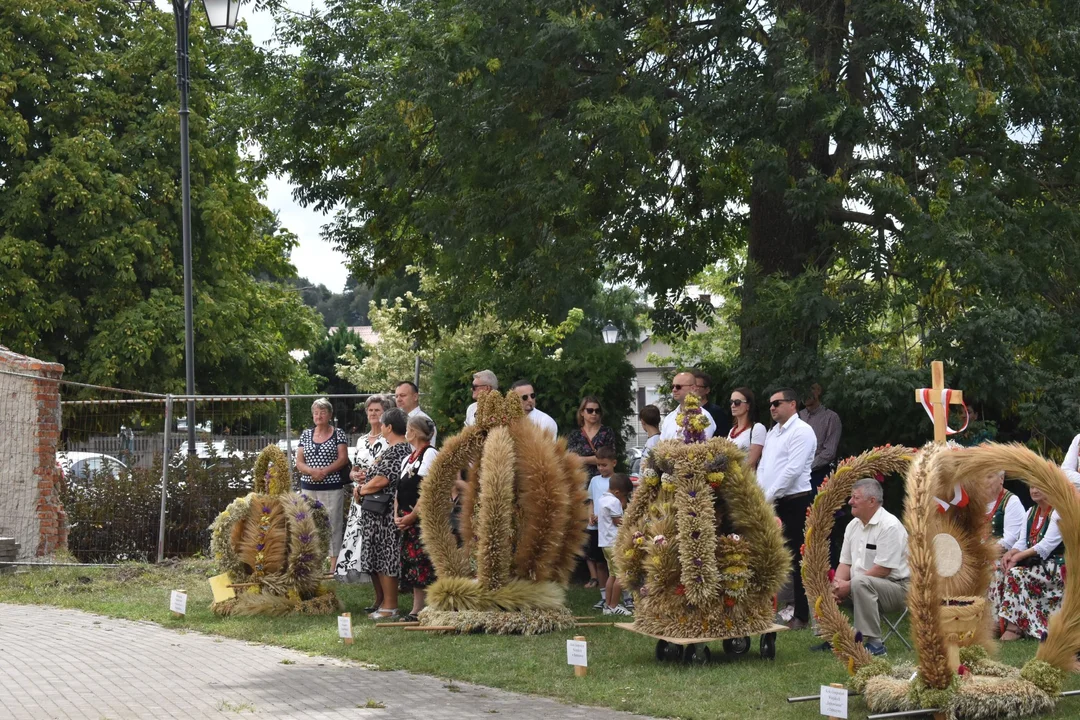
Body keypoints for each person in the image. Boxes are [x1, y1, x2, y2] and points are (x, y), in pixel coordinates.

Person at [757, 387, 817, 630]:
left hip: (795, 501)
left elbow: (793, 470)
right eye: (770, 404)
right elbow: (764, 467)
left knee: (798, 558)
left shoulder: (802, 431)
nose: (772, 407)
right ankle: (767, 609)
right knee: (772, 556)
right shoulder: (773, 433)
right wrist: (760, 494)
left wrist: (768, 497)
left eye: (777, 403)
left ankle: (802, 615)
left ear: (792, 404)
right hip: (773, 501)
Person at [829, 478, 910, 657]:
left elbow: (883, 570)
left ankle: (875, 645)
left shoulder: (889, 526)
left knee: (860, 583)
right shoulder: (853, 525)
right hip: (863, 585)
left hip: (897, 588)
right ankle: (831, 637)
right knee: (818, 583)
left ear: (871, 501)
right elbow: (845, 563)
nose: (850, 501)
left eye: (855, 497)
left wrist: (848, 586)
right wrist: (837, 585)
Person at [356, 407, 412, 620]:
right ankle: (382, 603)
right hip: (376, 513)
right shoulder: (392, 449)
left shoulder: (398, 450)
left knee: (386, 557)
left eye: (382, 423)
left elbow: (383, 479)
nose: (379, 427)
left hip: (385, 514)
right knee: (376, 557)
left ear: (389, 427)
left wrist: (361, 490)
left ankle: (390, 606)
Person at [989, 486, 1065, 641]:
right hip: (1036, 565)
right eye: (1031, 486)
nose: (1034, 490)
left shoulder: (1058, 512)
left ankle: (1014, 628)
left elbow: (1046, 546)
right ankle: (997, 621)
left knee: (1016, 573)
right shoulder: (1031, 511)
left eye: (1039, 486)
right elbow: (1023, 542)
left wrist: (1017, 558)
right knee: (1000, 569)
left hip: (1056, 567)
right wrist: (1010, 554)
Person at [336, 395, 393, 581]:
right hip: (359, 496)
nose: (373, 413)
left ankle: (374, 574)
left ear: (385, 413)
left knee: (373, 537)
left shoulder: (389, 440)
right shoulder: (360, 440)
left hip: (378, 496)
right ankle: (353, 572)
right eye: (370, 410)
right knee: (356, 532)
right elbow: (354, 469)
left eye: (377, 410)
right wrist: (354, 475)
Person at [295, 398, 351, 575]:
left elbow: (342, 459)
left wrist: (324, 471)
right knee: (309, 525)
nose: (319, 415)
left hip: (332, 486)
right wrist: (312, 472)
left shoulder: (338, 433)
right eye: (316, 412)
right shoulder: (305, 434)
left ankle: (333, 567)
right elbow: (299, 462)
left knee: (332, 523)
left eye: (323, 412)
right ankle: (314, 564)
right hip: (308, 487)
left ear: (330, 415)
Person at [394, 414, 439, 622]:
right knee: (411, 563)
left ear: (414, 432)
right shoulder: (407, 458)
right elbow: (399, 490)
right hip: (405, 519)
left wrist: (413, 515)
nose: (406, 431)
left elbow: (427, 489)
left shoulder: (430, 454)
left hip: (420, 519)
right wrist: (397, 514)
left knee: (423, 562)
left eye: (408, 428)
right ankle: (416, 607)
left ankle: (427, 607)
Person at [598, 472, 633, 616]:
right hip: (614, 543)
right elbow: (617, 521)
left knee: (612, 574)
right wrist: (630, 520)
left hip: (605, 543)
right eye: (624, 495)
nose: (624, 499)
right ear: (618, 492)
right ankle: (614, 605)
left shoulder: (602, 499)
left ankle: (607, 605)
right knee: (621, 575)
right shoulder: (614, 502)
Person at [585, 446, 617, 600]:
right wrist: (590, 514)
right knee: (599, 563)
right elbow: (591, 501)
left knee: (614, 562)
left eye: (604, 465)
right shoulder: (594, 480)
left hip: (611, 529)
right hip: (596, 528)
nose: (601, 468)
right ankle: (604, 596)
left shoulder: (617, 480)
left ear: (614, 463)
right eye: (598, 465)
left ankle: (621, 594)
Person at [798, 383, 842, 492]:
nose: (807, 394)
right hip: (793, 475)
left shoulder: (831, 417)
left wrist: (806, 467)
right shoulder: (797, 416)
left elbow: (829, 452)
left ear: (819, 390)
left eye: (811, 389)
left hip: (817, 475)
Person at [566, 396, 616, 478]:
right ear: (582, 412)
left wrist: (582, 460)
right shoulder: (575, 434)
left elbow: (608, 458)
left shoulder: (607, 432)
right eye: (590, 410)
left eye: (597, 411)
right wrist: (594, 459)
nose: (594, 413)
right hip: (580, 480)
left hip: (602, 478)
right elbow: (571, 459)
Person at [660, 371, 717, 441]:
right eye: (672, 386)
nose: (674, 390)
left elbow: (702, 447)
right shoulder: (669, 418)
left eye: (678, 387)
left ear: (693, 388)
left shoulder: (703, 416)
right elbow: (661, 446)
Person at [727, 386, 766, 469]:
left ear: (748, 406)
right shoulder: (732, 431)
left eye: (737, 402)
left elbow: (751, 463)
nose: (733, 405)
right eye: (731, 402)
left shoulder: (757, 428)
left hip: (746, 479)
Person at [986, 470, 1025, 552]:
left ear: (1001, 478)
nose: (984, 481)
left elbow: (1010, 540)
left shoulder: (1012, 501)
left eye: (989, 477)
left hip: (1000, 560)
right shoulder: (974, 502)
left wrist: (984, 553)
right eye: (980, 477)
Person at [394, 381, 436, 446]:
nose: (398, 399)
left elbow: (427, 450)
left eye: (403, 395)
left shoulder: (424, 421)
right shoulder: (396, 420)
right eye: (396, 396)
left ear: (415, 397)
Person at [693, 370, 732, 438]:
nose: (694, 389)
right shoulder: (687, 411)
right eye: (692, 386)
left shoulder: (717, 412)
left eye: (697, 386)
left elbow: (724, 436)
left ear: (707, 390)